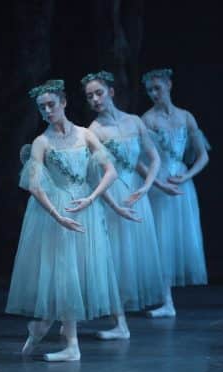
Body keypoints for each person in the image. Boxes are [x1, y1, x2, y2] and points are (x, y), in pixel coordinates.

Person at [6, 79, 123, 361]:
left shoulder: (85, 134)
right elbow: (35, 186)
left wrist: (91, 198)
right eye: (42, 107)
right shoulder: (41, 142)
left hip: (84, 208)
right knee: (63, 272)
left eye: (51, 105)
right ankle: (68, 342)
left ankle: (46, 330)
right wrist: (58, 216)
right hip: (56, 211)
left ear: (64, 103)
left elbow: (110, 172)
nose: (47, 111)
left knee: (76, 273)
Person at [81, 70, 165, 339]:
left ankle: (122, 323)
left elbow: (153, 158)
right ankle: (120, 323)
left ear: (111, 92)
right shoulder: (94, 131)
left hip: (136, 196)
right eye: (89, 96)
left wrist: (146, 186)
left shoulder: (134, 122)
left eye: (99, 93)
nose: (95, 99)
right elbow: (94, 177)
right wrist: (113, 205)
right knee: (112, 260)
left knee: (131, 259)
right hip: (112, 198)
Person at [140, 68, 210, 317]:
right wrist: (159, 182)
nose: (154, 94)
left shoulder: (186, 117)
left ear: (169, 85)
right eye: (150, 90)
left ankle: (168, 302)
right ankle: (166, 300)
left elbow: (202, 156)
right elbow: (143, 159)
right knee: (162, 239)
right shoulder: (147, 119)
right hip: (160, 183)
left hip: (181, 182)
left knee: (177, 237)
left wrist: (187, 176)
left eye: (157, 88)